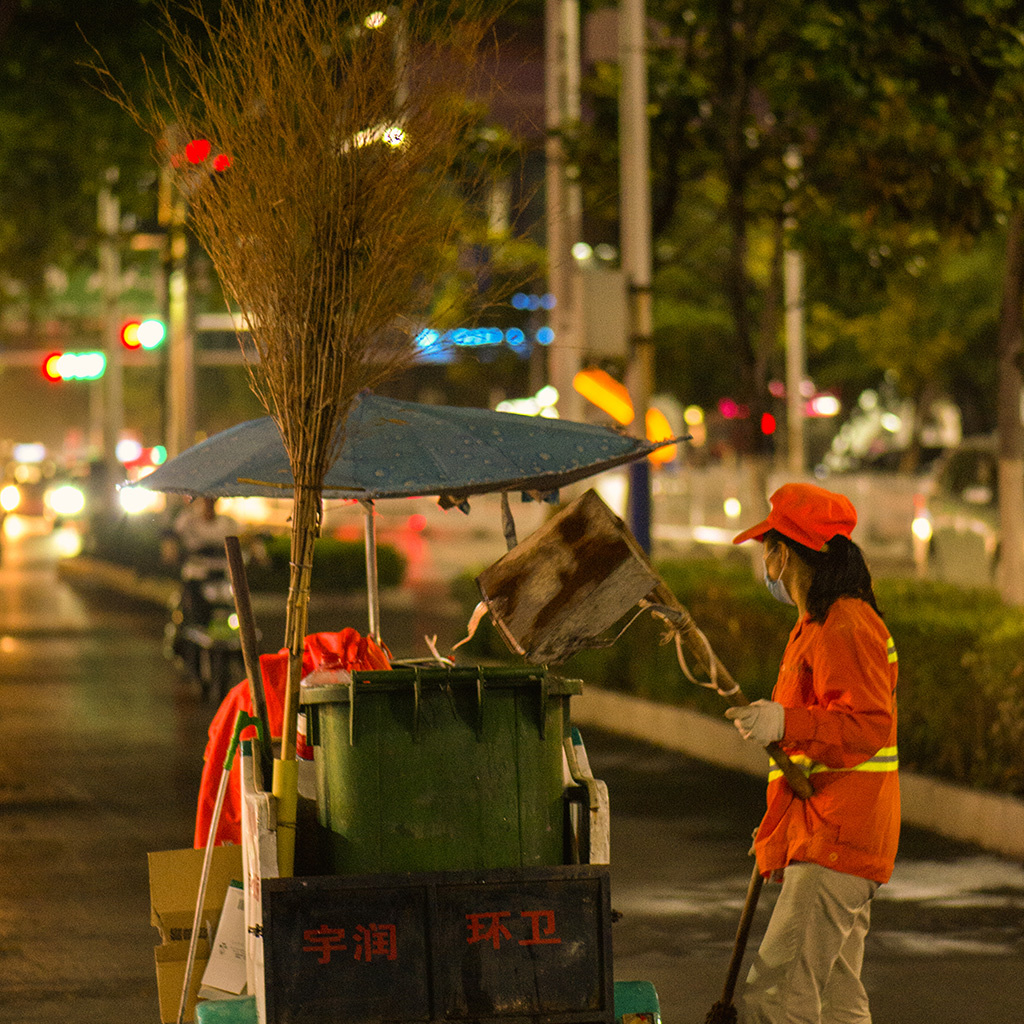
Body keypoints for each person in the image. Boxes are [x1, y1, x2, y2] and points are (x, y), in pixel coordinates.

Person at [727, 482, 899, 1024]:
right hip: (833, 831)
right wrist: (775, 834)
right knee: (836, 999)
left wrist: (785, 721)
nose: (766, 562)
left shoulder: (843, 624)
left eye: (768, 548)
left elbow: (867, 725)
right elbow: (811, 754)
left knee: (777, 997)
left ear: (787, 552)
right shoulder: (818, 624)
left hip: (837, 838)